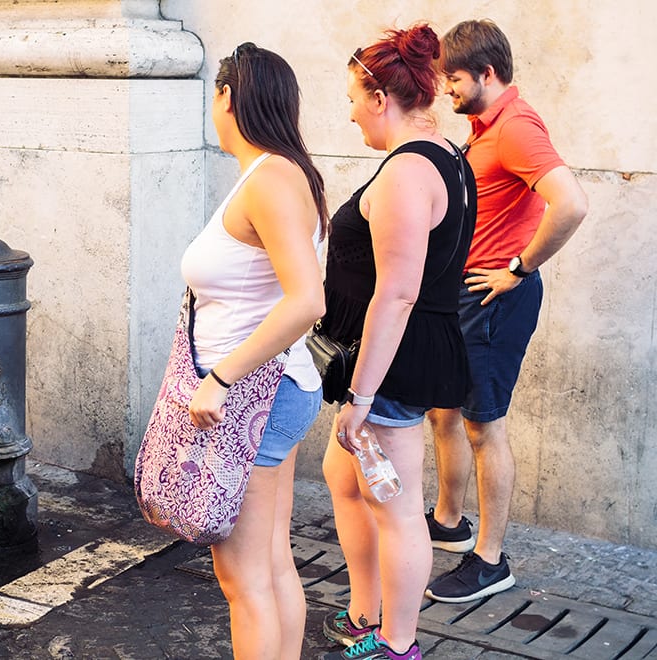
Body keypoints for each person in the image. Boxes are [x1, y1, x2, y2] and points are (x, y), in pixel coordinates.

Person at [318, 24, 476, 660]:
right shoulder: (438, 155)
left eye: (354, 97)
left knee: (399, 505)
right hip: (393, 354)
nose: (350, 110)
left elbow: (398, 293)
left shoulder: (410, 172)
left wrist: (360, 393)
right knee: (344, 475)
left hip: (391, 361)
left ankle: (396, 643)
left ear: (382, 97)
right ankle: (365, 614)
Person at [424, 20, 588, 604]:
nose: (447, 90)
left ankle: (490, 560)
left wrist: (517, 267)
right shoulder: (482, 126)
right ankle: (448, 522)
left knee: (482, 426)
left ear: (487, 74)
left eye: (456, 79)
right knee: (443, 411)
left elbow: (570, 203)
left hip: (494, 299)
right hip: (460, 294)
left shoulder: (516, 127)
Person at [180, 42, 326, 660]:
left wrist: (221, 377)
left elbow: (306, 300)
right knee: (270, 565)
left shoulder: (269, 180)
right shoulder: (279, 172)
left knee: (245, 581)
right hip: (272, 393)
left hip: (251, 398)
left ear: (228, 98)